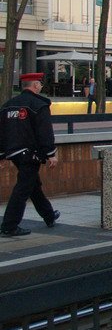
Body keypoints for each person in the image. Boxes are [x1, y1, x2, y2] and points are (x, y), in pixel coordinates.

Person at [0, 73, 60, 236]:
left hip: (14, 152)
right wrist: (50, 153)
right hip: (31, 153)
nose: (41, 86)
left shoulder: (8, 105)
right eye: (39, 83)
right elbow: (45, 132)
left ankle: (49, 215)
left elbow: (2, 131)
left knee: (33, 185)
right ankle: (9, 225)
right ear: (34, 85)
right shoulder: (39, 105)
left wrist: (2, 154)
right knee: (23, 188)